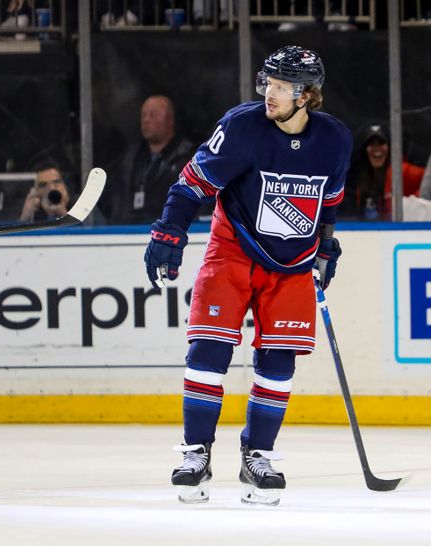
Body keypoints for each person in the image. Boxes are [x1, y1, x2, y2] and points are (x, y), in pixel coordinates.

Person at [144, 46, 351, 506]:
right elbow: (193, 182)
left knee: (279, 365)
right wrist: (169, 230)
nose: (269, 93)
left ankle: (258, 455)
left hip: (294, 263)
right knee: (208, 349)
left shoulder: (334, 139)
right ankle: (195, 452)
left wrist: (328, 243)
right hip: (233, 250)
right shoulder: (242, 126)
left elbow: (330, 200)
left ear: (307, 95)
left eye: (281, 86)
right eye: (268, 83)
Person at [105, 95, 194, 224]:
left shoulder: (188, 158)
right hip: (129, 234)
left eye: (153, 115)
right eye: (144, 115)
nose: (146, 120)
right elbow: (117, 203)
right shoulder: (131, 159)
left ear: (170, 120)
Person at [343, 124, 424, 220]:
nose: (377, 148)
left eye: (381, 143)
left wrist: (411, 205)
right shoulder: (356, 177)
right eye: (371, 144)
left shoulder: (402, 171)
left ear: (389, 147)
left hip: (399, 231)